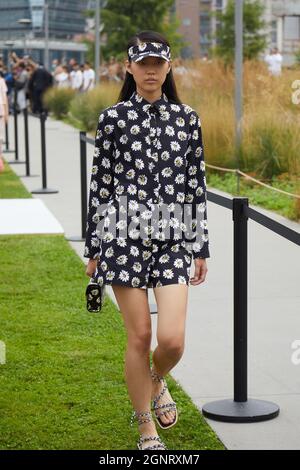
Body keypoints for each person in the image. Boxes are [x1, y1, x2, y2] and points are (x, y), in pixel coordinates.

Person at [83, 31, 210, 451]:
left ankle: (156, 382)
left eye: (158, 63)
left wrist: (200, 246)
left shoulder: (187, 118)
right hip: (122, 239)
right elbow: (100, 185)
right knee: (138, 337)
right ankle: (145, 430)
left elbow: (196, 186)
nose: (151, 69)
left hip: (173, 240)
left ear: (169, 67)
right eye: (144, 63)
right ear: (129, 67)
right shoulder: (113, 118)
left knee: (171, 339)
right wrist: (94, 248)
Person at [0, 71, 8, 173]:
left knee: (0, 137)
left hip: (0, 112)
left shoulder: (1, 81)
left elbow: (4, 98)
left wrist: (6, 113)